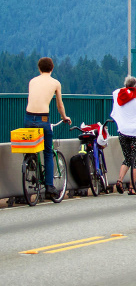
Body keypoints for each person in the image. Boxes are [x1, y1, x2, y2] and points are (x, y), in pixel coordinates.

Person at [24, 57, 72, 198]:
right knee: (48, 152)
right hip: (43, 118)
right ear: (52, 68)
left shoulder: (32, 81)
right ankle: (49, 187)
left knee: (31, 143)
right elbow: (59, 105)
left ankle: (30, 160)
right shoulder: (55, 83)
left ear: (39, 68)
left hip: (28, 117)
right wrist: (64, 117)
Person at [111, 76, 136, 195]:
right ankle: (132, 187)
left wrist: (129, 88)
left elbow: (118, 91)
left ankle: (119, 180)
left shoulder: (118, 95)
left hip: (122, 131)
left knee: (128, 158)